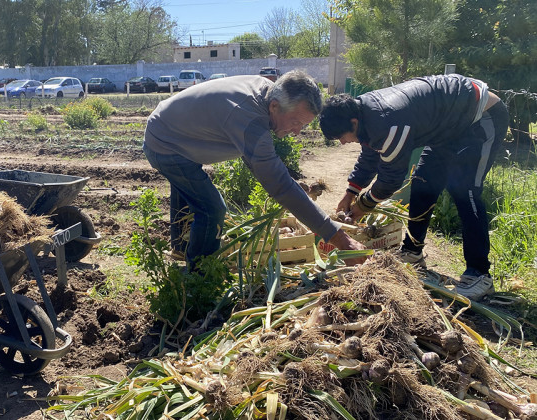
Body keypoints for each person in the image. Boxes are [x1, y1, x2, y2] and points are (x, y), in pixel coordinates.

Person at [143, 70, 365, 269]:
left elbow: (261, 163)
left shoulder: (266, 93)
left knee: (192, 191)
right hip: (166, 144)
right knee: (212, 210)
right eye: (296, 122)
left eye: (303, 125)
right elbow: (279, 187)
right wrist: (341, 241)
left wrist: (284, 179)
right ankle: (199, 277)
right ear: (274, 106)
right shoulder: (249, 119)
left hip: (178, 131)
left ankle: (182, 248)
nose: (297, 131)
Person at [319, 74, 509, 300]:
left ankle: (480, 274)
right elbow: (370, 155)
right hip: (447, 129)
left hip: (480, 117)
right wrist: (350, 192)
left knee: (465, 189)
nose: (343, 142)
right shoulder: (361, 112)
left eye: (342, 136)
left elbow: (391, 179)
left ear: (353, 123)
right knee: (422, 184)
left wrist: (363, 205)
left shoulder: (387, 120)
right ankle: (412, 252)